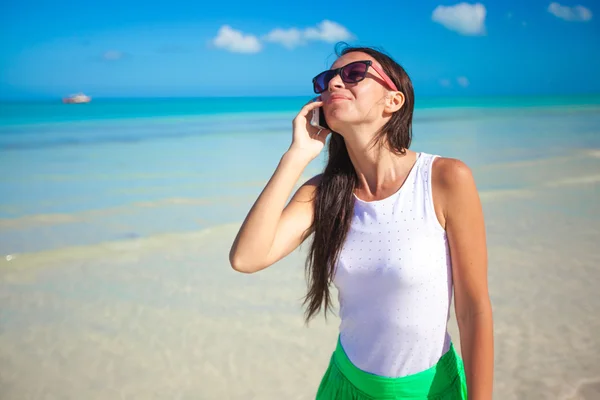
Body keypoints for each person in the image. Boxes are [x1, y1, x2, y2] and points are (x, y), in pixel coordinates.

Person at [229, 44, 494, 399]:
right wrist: (297, 156)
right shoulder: (323, 193)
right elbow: (246, 258)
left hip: (429, 390)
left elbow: (473, 309)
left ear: (393, 101)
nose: (334, 83)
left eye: (354, 74)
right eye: (327, 79)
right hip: (346, 387)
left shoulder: (445, 178)